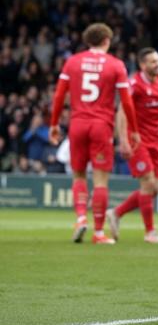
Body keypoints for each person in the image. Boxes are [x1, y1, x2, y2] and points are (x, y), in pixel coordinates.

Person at [49, 22, 141, 245]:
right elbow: (126, 102)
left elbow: (59, 96)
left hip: (77, 124)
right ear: (107, 41)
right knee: (100, 180)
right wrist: (133, 130)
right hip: (101, 126)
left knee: (78, 175)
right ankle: (98, 232)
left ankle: (81, 217)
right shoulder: (116, 65)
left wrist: (53, 124)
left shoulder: (72, 62)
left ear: (87, 41)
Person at [106, 47, 158, 244]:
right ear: (142, 65)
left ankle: (116, 213)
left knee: (154, 189)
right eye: (153, 62)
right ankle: (150, 232)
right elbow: (122, 111)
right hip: (136, 139)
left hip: (156, 139)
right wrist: (123, 139)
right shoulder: (134, 84)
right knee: (147, 183)